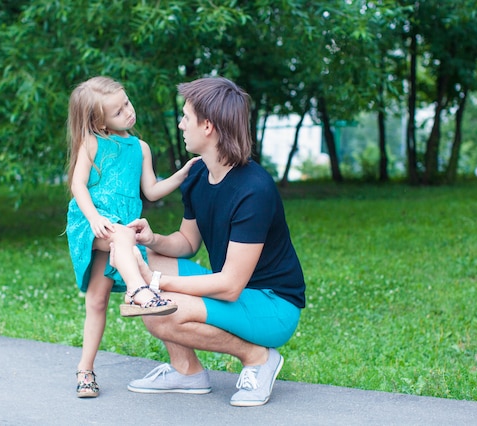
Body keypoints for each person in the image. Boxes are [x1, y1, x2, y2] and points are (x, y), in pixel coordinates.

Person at [116, 76, 306, 407]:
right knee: (147, 258)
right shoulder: (198, 175)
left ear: (208, 126)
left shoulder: (253, 190)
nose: (180, 124)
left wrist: (156, 283)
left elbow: (231, 286)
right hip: (236, 293)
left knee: (160, 310)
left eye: (186, 117)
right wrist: (153, 238)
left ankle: (259, 357)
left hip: (273, 305)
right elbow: (187, 242)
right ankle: (186, 372)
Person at [65, 76, 198, 398]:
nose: (128, 111)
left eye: (126, 103)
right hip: (90, 222)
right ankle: (140, 291)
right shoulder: (92, 142)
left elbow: (151, 190)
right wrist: (94, 218)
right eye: (117, 111)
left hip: (120, 227)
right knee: (123, 238)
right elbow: (78, 185)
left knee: (96, 300)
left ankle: (85, 370)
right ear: (99, 121)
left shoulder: (140, 148)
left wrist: (181, 174)